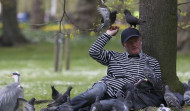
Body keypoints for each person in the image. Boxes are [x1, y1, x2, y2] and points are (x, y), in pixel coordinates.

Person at [70, 26, 163, 111]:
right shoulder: (114, 56)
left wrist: (145, 83)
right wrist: (108, 34)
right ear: (124, 44)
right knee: (92, 94)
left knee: (98, 106)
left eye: (136, 40)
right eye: (130, 42)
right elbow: (93, 52)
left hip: (121, 97)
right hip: (105, 86)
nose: (134, 44)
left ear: (141, 40)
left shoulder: (152, 62)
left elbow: (158, 87)